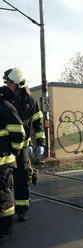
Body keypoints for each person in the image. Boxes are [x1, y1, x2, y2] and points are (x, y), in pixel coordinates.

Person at [1, 67, 45, 222]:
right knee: (6, 179)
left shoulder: (30, 100)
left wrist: (40, 142)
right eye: (6, 82)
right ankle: (6, 208)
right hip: (7, 145)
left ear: (19, 84)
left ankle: (22, 209)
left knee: (21, 177)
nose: (7, 85)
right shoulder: (4, 97)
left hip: (23, 145)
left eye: (10, 82)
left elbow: (38, 121)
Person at [0, 78, 25, 241]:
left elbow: (19, 133)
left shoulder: (6, 107)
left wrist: (14, 152)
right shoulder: (6, 106)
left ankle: (6, 229)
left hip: (3, 162)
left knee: (3, 195)